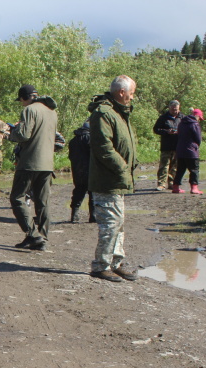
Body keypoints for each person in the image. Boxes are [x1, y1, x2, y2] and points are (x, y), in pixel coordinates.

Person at [87, 75, 139, 283]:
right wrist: (123, 168)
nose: (132, 97)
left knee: (119, 223)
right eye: (131, 93)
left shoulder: (119, 112)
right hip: (107, 179)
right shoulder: (104, 113)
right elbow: (104, 148)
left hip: (116, 179)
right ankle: (101, 265)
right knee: (110, 224)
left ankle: (115, 263)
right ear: (121, 92)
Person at [8, 84, 58, 251]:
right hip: (48, 163)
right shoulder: (51, 111)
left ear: (24, 97)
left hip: (30, 162)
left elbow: (23, 135)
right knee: (43, 201)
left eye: (20, 100)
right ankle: (42, 237)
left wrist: (11, 134)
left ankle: (33, 234)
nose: (21, 103)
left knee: (17, 197)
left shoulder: (29, 110)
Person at [153, 100, 184, 191]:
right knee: (164, 165)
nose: (175, 111)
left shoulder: (182, 117)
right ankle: (161, 184)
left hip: (178, 145)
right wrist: (167, 132)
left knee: (175, 166)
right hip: (166, 145)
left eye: (176, 109)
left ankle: (172, 183)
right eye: (173, 109)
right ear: (169, 108)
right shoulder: (163, 118)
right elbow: (156, 129)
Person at [173, 108, 204, 195]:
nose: (199, 120)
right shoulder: (195, 124)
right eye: (200, 118)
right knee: (194, 169)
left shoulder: (181, 123)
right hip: (191, 151)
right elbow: (198, 138)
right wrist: (196, 146)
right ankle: (194, 188)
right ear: (197, 116)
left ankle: (175, 187)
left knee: (180, 169)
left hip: (180, 149)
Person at [68, 121, 94, 223]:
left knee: (78, 191)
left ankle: (74, 215)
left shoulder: (73, 141)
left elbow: (71, 157)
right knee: (92, 193)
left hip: (77, 170)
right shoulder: (91, 139)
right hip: (90, 169)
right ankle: (93, 216)